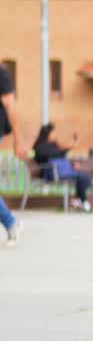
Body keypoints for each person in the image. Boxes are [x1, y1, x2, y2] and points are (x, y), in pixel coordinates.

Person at [32, 123, 93, 212]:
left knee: (86, 177)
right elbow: (51, 157)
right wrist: (62, 150)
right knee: (82, 178)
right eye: (53, 133)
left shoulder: (54, 146)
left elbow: (61, 155)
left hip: (63, 171)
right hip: (52, 173)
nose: (55, 135)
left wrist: (72, 164)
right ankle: (83, 201)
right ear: (47, 134)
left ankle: (79, 200)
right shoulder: (40, 147)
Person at [0, 62, 25, 245]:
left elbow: (11, 108)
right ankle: (10, 222)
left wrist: (19, 140)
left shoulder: (1, 74)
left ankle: (10, 222)